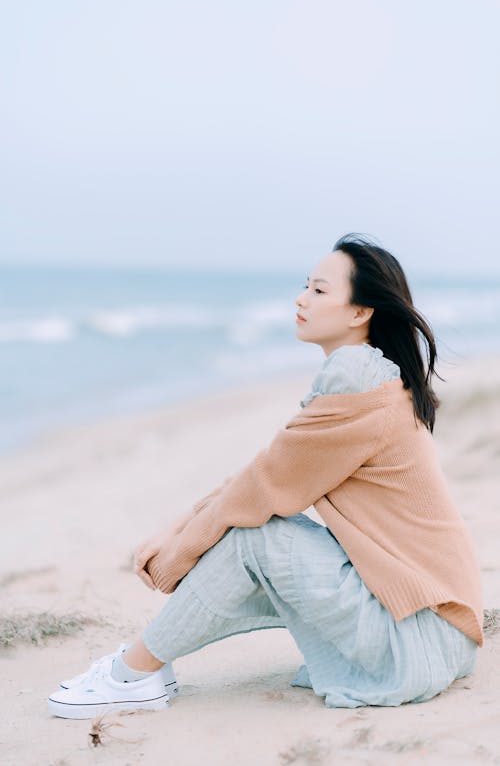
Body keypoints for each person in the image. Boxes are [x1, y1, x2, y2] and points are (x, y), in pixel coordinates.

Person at [48, 233, 483, 719]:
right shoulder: (378, 375)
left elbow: (263, 487)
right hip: (442, 632)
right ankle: (146, 667)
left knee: (257, 539)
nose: (301, 298)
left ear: (361, 312)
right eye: (305, 286)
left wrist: (177, 548)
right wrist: (180, 528)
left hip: (418, 640)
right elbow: (269, 471)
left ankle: (131, 674)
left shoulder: (357, 378)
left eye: (320, 290)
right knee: (269, 537)